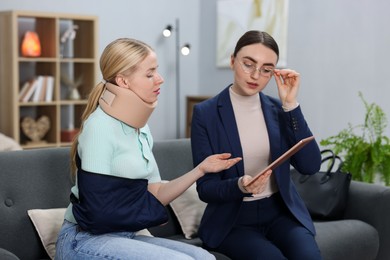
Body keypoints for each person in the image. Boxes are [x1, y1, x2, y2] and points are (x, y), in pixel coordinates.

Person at [55, 38, 241, 260]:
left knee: (205, 258)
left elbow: (156, 193)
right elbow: (98, 212)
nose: (160, 79)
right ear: (123, 81)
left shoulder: (140, 128)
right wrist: (148, 214)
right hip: (83, 239)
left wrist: (200, 169)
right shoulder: (99, 127)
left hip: (122, 235)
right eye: (150, 73)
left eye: (157, 72)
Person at [191, 30, 322, 260]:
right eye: (248, 64)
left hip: (281, 214)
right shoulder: (206, 114)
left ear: (274, 73)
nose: (255, 75)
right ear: (233, 61)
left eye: (266, 69)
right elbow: (205, 188)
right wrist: (240, 186)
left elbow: (310, 166)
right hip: (234, 221)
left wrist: (290, 105)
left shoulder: (278, 110)